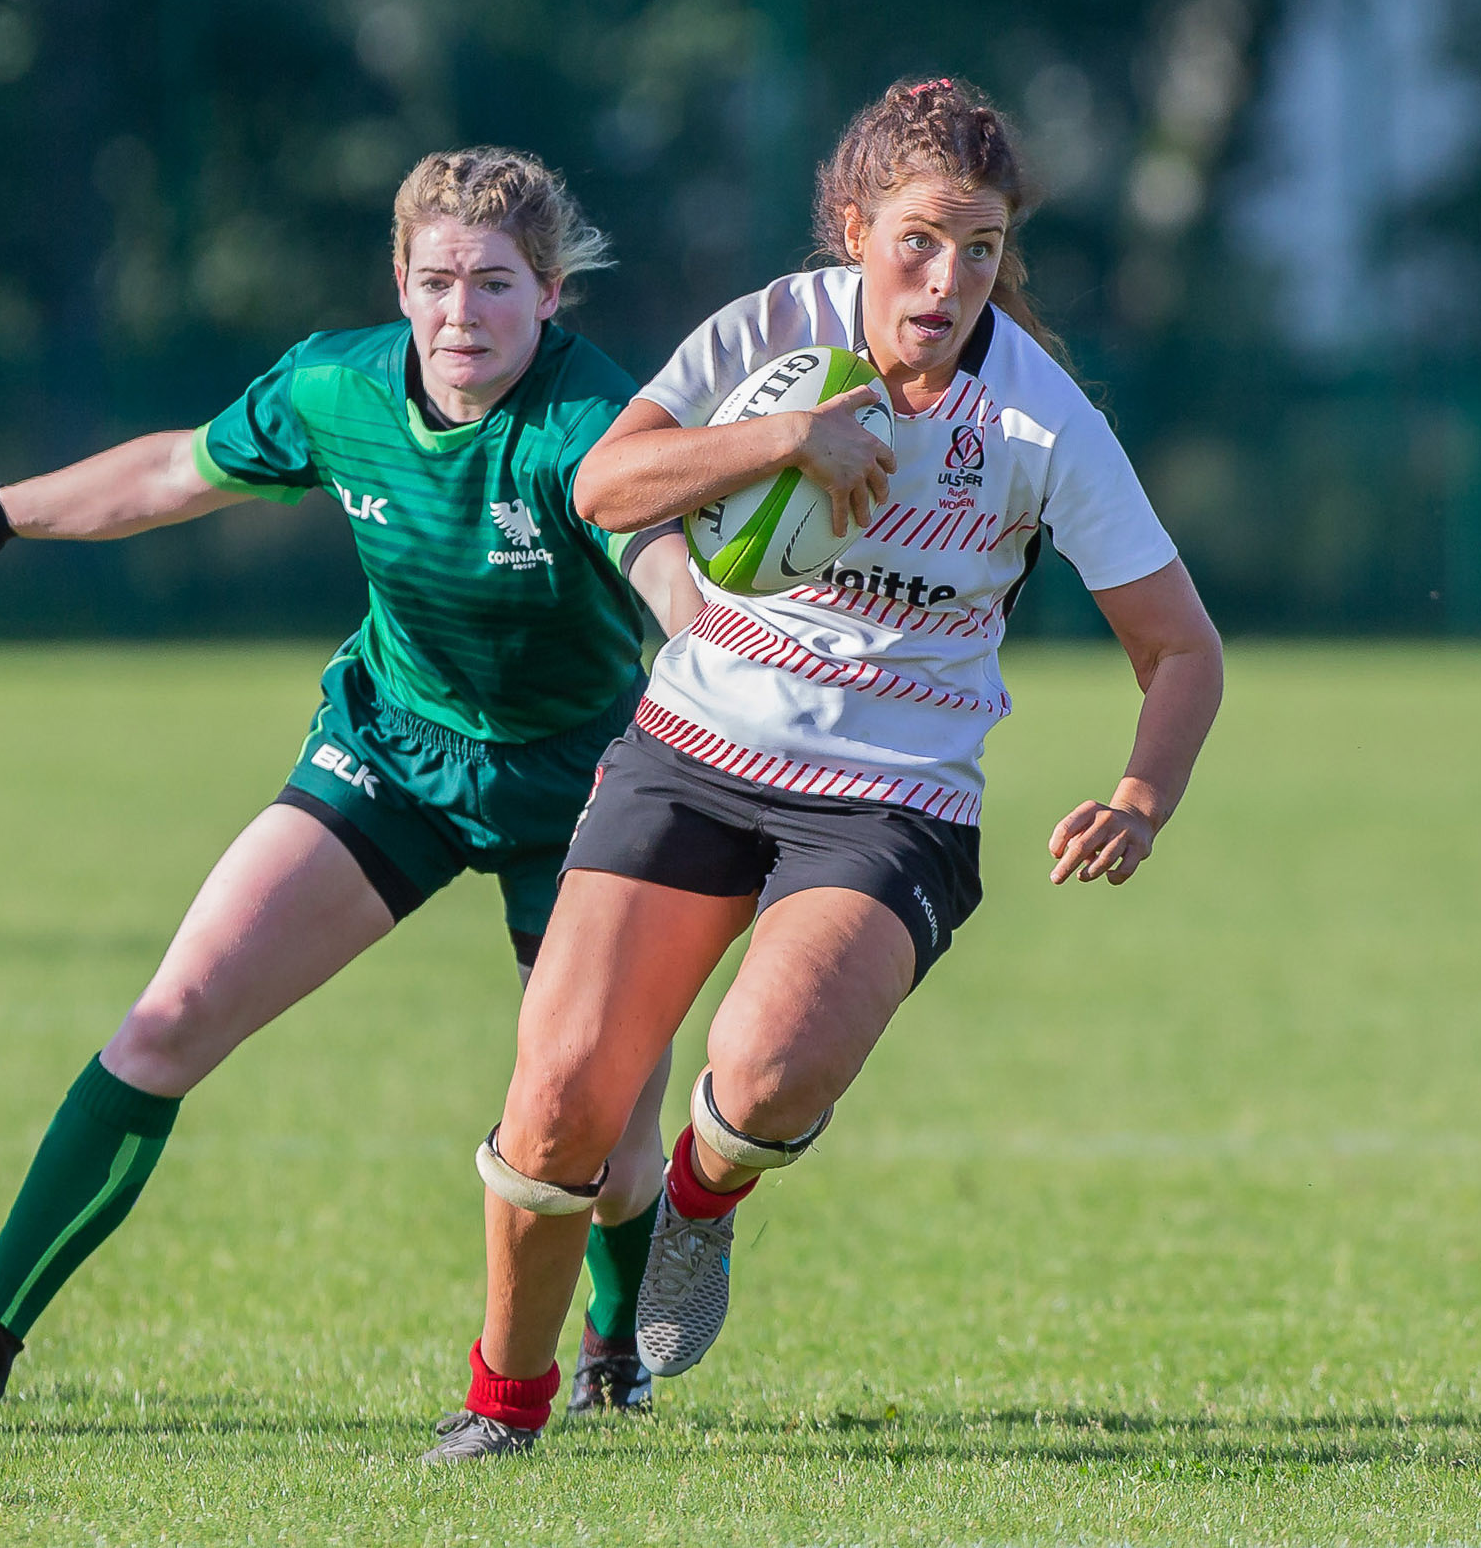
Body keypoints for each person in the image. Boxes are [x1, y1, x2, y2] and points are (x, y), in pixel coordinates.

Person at [423, 78, 1225, 1460]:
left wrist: (1141, 798)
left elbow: (1182, 649)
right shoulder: (769, 334)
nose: (948, 279)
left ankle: (701, 1201)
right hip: (692, 751)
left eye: (979, 247)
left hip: (891, 801)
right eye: (919, 241)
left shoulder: (1037, 421)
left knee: (768, 1072)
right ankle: (502, 1408)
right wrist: (788, 436)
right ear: (854, 230)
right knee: (556, 1105)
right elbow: (602, 489)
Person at [0, 147, 703, 1426]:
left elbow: (661, 565)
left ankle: (612, 1348)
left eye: (493, 283)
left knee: (614, 1149)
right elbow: (170, 472)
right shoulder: (334, 385)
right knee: (169, 1017)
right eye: (436, 281)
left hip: (581, 783)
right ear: (398, 285)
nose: (461, 313)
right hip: (392, 752)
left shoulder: (592, 420)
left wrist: (726, 657)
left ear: (550, 294)